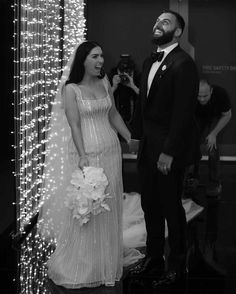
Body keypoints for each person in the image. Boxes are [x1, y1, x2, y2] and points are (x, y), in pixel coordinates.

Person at [37, 41, 131, 289]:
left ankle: (105, 262)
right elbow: (74, 124)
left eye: (102, 56)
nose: (101, 61)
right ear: (83, 60)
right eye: (95, 56)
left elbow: (113, 115)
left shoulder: (104, 83)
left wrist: (129, 137)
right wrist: (82, 155)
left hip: (111, 151)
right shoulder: (71, 90)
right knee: (86, 210)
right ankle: (82, 264)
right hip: (86, 154)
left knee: (108, 205)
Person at [129, 10, 199, 289]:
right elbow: (143, 106)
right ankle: (154, 259)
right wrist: (135, 137)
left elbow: (183, 113)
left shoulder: (184, 64)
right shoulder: (149, 61)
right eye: (157, 20)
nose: (158, 24)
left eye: (166, 22)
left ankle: (177, 266)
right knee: (150, 206)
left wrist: (168, 152)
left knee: (171, 208)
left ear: (178, 32)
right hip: (147, 148)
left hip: (170, 152)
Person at [185, 79, 232, 197]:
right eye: (199, 96)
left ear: (211, 91)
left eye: (205, 96)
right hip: (197, 117)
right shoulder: (189, 94)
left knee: (212, 147)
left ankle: (215, 182)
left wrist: (214, 133)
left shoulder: (221, 94)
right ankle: (192, 178)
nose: (201, 99)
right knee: (191, 144)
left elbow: (227, 115)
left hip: (215, 116)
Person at [109, 54, 140, 130]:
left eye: (128, 73)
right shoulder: (111, 76)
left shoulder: (138, 77)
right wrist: (113, 87)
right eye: (121, 73)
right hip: (115, 121)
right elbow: (103, 100)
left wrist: (133, 86)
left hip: (134, 120)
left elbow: (146, 98)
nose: (124, 76)